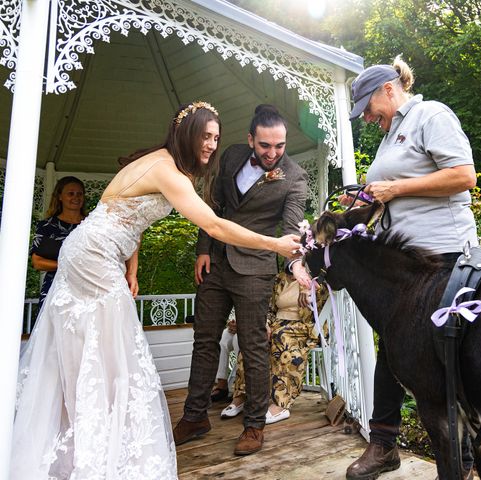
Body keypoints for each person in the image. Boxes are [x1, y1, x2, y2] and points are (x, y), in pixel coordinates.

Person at [10, 101, 301, 480]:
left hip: (99, 252)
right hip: (94, 256)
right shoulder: (168, 172)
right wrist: (276, 245)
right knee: (113, 346)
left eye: (216, 137)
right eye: (205, 136)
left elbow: (129, 215)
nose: (212, 144)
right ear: (187, 133)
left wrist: (132, 266)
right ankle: (100, 443)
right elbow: (213, 225)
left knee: (96, 345)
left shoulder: (163, 162)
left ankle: (89, 432)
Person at [344, 57, 479, 480]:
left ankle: (466, 453)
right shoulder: (389, 137)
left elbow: (463, 176)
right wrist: (365, 204)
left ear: (389, 89)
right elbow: (391, 191)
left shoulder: (430, 115)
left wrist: (395, 188)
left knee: (453, 352)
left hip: (445, 257)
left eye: (368, 107)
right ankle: (383, 443)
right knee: (393, 343)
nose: (367, 117)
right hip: (408, 265)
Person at [173, 104, 312, 456]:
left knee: (253, 346)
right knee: (204, 341)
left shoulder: (293, 177)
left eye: (279, 146)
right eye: (265, 145)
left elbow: (293, 227)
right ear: (251, 140)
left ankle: (254, 425)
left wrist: (296, 261)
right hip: (215, 262)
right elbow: (214, 206)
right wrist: (203, 249)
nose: (272, 153)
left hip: (254, 269)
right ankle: (194, 416)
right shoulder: (233, 155)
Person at [221, 270, 328, 424]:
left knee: (281, 337)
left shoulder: (316, 279)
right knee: (253, 341)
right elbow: (270, 308)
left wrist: (309, 285)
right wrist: (266, 324)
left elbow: (320, 305)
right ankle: (242, 395)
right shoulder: (280, 278)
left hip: (303, 326)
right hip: (278, 323)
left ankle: (281, 403)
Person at [30, 176, 87, 308]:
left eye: (80, 194)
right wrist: (71, 266)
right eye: (70, 193)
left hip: (87, 286)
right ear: (60, 197)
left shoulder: (92, 223)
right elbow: (38, 262)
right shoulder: (47, 226)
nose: (76, 197)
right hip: (55, 288)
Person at [210, 317, 239, 403]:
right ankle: (222, 383)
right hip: (241, 323)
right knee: (223, 337)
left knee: (238, 339)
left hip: (258, 325)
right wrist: (232, 322)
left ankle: (240, 386)